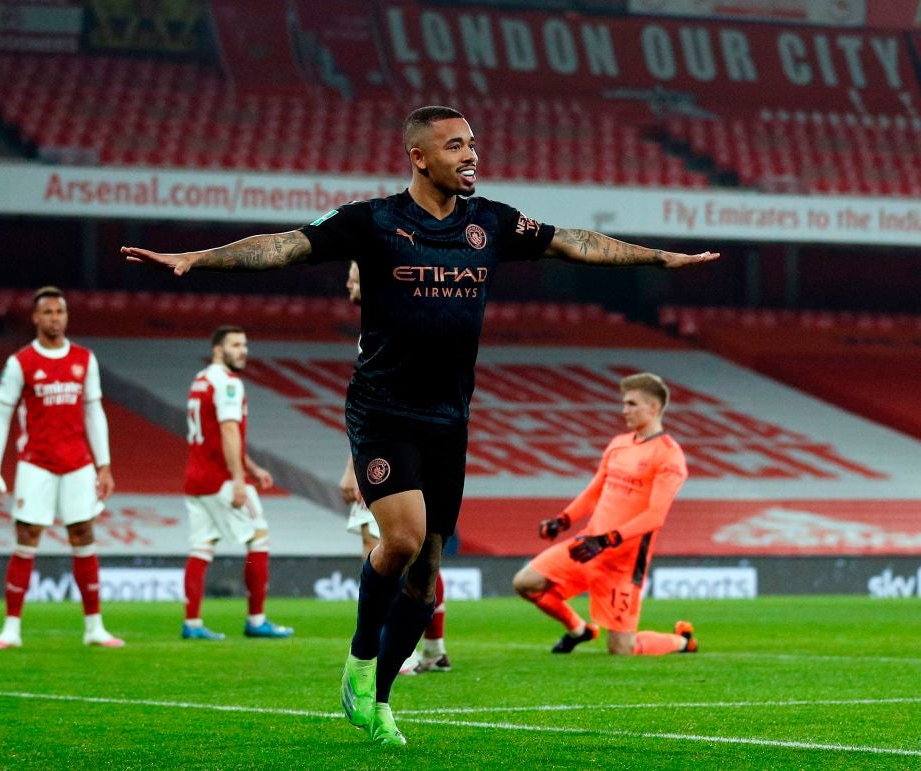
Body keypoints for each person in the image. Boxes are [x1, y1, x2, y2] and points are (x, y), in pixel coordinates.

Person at [121, 105, 718, 746]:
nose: (471, 156)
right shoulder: (372, 221)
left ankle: (378, 698)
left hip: (448, 418)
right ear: (419, 157)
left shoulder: (488, 221)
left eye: (473, 145)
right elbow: (285, 247)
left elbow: (574, 241)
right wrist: (198, 259)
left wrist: (658, 259)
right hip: (381, 409)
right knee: (401, 539)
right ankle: (357, 660)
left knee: (428, 571)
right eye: (456, 146)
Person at [513, 372, 698, 656]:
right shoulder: (619, 444)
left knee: (622, 649)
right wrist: (563, 520)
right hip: (587, 546)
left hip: (622, 561)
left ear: (654, 407)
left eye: (632, 404)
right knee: (526, 583)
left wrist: (606, 540)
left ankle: (682, 640)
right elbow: (595, 490)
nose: (624, 410)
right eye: (624, 403)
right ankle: (579, 629)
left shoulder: (668, 455)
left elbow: (655, 516)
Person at [0, 285, 123, 649]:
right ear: (35, 318)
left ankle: (94, 627)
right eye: (47, 312)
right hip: (36, 463)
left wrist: (104, 465)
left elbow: (94, 412)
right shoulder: (21, 362)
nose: (54, 318)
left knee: (84, 536)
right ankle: (11, 628)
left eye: (59, 312)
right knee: (26, 538)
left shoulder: (84, 359)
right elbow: (1, 416)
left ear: (66, 316)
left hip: (78, 463)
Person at [338, 261, 449, 676]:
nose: (348, 282)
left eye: (354, 274)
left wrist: (353, 469)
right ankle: (433, 647)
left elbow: (380, 411)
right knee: (419, 556)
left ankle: (392, 652)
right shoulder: (382, 325)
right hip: (414, 447)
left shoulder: (390, 327)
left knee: (388, 550)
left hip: (397, 456)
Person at [181, 325, 293, 641]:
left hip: (195, 477)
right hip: (219, 479)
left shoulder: (200, 380)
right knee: (259, 537)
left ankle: (192, 624)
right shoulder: (228, 384)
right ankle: (256, 620)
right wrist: (239, 480)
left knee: (201, 547)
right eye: (235, 345)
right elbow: (229, 432)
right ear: (218, 349)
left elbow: (216, 437)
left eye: (245, 344)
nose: (243, 350)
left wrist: (253, 468)